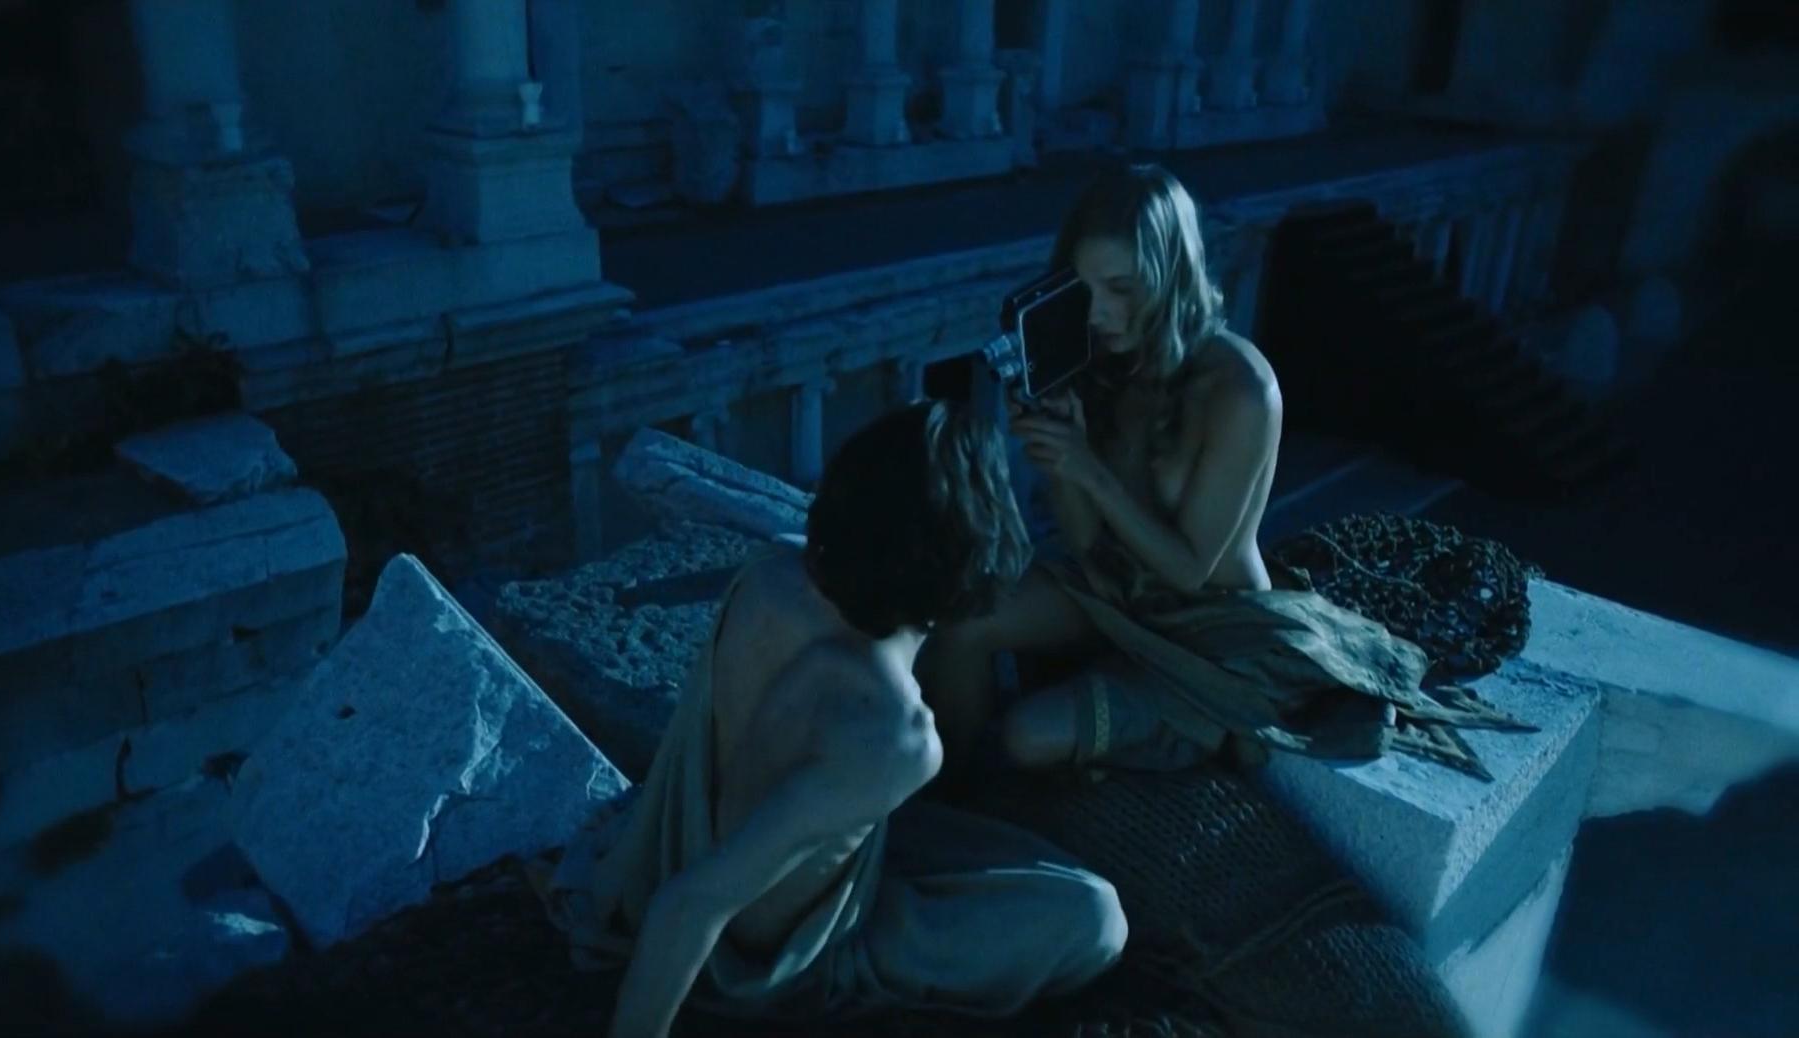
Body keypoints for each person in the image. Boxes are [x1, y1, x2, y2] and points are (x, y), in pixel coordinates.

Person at [917, 163, 1529, 781]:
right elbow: (1083, 542)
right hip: (1113, 590)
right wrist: (1058, 458)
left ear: (1171, 279)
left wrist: (1089, 470)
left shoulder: (1241, 389)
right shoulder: (1104, 363)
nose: (1099, 312)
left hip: (1216, 629)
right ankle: (952, 796)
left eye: (1122, 288)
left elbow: (1190, 568)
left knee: (1027, 734)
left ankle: (1162, 740)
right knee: (960, 625)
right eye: (1084, 289)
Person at [542, 401, 1128, 1038]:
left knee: (993, 846)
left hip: (671, 857)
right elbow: (693, 903)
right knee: (1095, 917)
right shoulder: (897, 732)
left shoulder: (770, 576)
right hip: (775, 956)